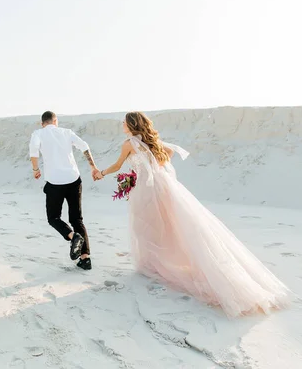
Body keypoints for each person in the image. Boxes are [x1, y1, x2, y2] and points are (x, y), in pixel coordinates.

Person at [93, 111, 291, 317]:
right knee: (170, 222)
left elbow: (117, 165)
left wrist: (101, 173)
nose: (122, 125)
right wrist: (150, 169)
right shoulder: (154, 141)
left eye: (124, 123)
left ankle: (151, 263)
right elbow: (168, 152)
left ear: (131, 125)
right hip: (163, 186)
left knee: (145, 224)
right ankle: (159, 261)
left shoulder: (128, 144)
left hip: (146, 189)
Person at [29, 111, 99, 270]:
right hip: (74, 179)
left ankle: (73, 237)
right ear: (56, 121)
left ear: (42, 123)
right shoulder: (67, 132)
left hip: (55, 182)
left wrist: (35, 169)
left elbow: (33, 151)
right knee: (77, 219)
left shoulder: (38, 133)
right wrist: (93, 167)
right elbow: (84, 147)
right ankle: (85, 259)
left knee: (53, 218)